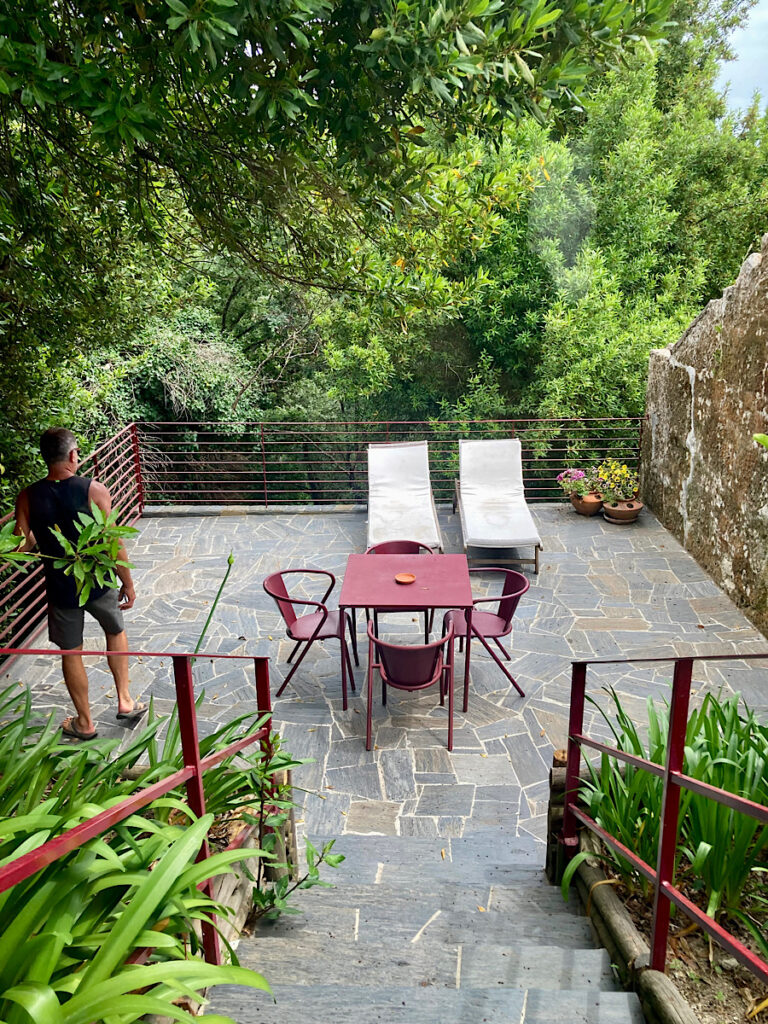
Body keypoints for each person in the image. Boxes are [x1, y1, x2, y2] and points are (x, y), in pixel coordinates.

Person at [14, 427, 145, 740]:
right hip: (98, 579)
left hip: (61, 587)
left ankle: (84, 723)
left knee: (71, 652)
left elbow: (20, 546)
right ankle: (125, 701)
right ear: (73, 456)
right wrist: (127, 581)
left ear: (45, 457)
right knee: (115, 631)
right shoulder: (94, 489)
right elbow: (112, 540)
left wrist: (43, 534)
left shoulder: (28, 496)